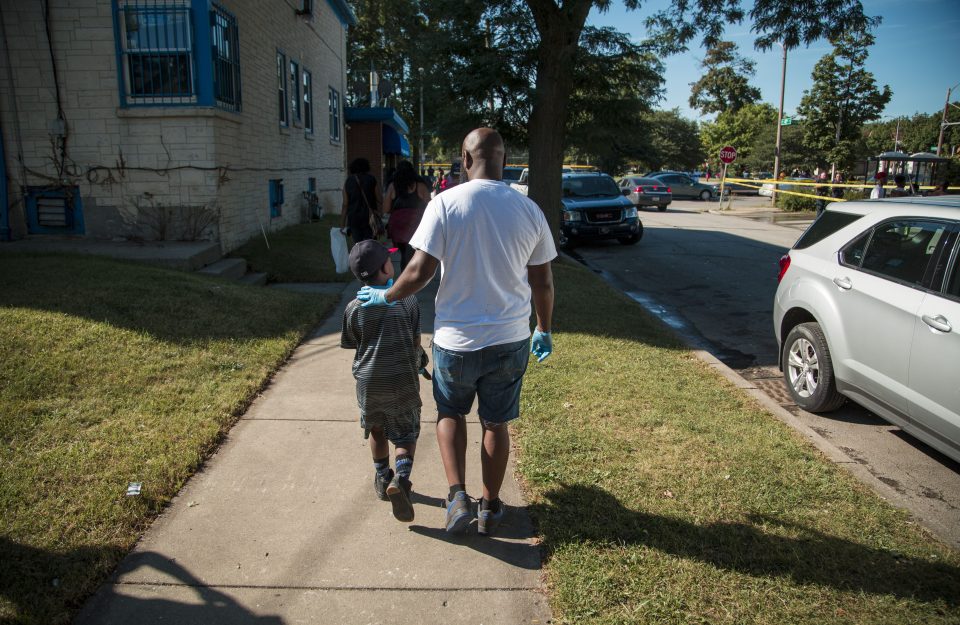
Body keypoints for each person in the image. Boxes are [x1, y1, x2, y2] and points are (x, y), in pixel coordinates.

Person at [357, 128, 556, 537]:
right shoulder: (530, 210)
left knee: (450, 414)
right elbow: (543, 283)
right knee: (495, 424)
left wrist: (386, 297)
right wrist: (545, 328)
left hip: (455, 341)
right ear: (503, 160)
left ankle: (458, 498)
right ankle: (491, 506)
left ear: (465, 160)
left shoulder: (445, 203)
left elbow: (418, 272)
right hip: (510, 338)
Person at [341, 240, 429, 523]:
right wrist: (420, 360)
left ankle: (382, 477)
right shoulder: (407, 300)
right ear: (385, 267)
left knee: (377, 430)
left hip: (369, 383)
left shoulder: (353, 308)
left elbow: (354, 342)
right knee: (404, 436)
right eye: (390, 260)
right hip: (401, 380)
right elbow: (415, 341)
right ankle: (400, 480)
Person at [384, 160, 430, 274]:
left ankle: (405, 275)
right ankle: (408, 277)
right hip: (416, 223)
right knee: (411, 252)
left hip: (397, 225)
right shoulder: (420, 186)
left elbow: (385, 209)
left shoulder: (392, 186)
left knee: (404, 253)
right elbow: (430, 206)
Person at [341, 158, 382, 245]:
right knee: (370, 243)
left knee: (358, 245)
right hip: (369, 217)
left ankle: (360, 257)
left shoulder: (348, 181)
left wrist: (342, 224)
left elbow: (345, 204)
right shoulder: (372, 179)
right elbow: (379, 198)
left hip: (354, 218)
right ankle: (369, 257)